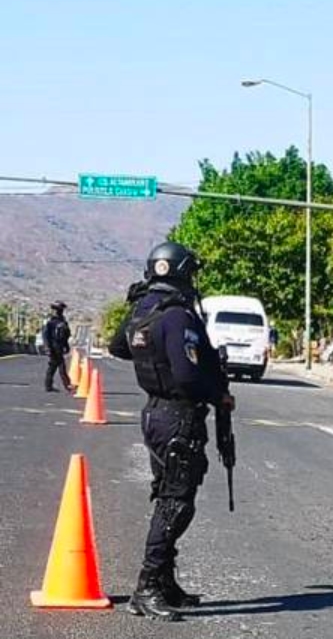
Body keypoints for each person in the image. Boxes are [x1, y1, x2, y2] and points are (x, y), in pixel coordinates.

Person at [109, 242, 236, 621]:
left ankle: (165, 583)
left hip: (155, 413)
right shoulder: (178, 314)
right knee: (176, 503)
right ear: (182, 272)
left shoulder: (144, 309)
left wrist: (152, 354)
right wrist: (219, 396)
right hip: (179, 416)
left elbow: (119, 347)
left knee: (169, 495)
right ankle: (147, 587)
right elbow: (187, 374)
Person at [41, 301, 75, 393]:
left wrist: (66, 346)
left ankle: (49, 385)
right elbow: (45, 335)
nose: (59, 311)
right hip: (53, 347)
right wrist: (47, 348)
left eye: (60, 310)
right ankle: (67, 385)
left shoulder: (62, 321)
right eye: (58, 309)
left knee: (54, 367)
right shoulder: (50, 321)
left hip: (59, 347)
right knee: (59, 366)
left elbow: (65, 335)